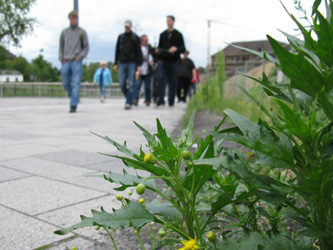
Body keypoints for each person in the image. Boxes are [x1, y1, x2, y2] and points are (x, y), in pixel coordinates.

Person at [59, 10, 89, 113]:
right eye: (71, 18)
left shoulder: (81, 32)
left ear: (77, 19)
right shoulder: (64, 32)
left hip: (76, 60)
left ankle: (73, 105)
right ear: (69, 19)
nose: (73, 20)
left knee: (76, 83)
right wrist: (61, 58)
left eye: (75, 18)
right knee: (66, 83)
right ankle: (73, 97)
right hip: (66, 60)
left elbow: (86, 47)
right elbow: (61, 46)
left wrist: (80, 57)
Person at [155, 15, 185, 106]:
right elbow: (160, 47)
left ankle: (171, 100)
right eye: (166, 21)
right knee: (160, 79)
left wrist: (176, 49)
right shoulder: (162, 35)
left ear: (173, 21)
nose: (167, 22)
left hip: (174, 61)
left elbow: (183, 48)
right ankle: (160, 99)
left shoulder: (178, 35)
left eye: (169, 20)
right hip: (163, 61)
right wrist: (158, 51)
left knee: (173, 81)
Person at [114, 20, 143, 110]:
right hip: (122, 62)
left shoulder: (135, 38)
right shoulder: (121, 37)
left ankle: (128, 102)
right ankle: (129, 97)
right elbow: (117, 51)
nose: (127, 28)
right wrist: (115, 63)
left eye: (128, 27)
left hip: (132, 63)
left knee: (131, 83)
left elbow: (139, 52)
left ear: (131, 27)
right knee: (122, 82)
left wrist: (139, 65)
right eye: (125, 27)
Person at [133, 35, 155, 106]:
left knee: (148, 86)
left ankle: (148, 100)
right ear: (142, 41)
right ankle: (135, 99)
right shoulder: (138, 48)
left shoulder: (150, 48)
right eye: (145, 40)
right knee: (137, 85)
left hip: (147, 71)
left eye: (147, 40)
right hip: (139, 70)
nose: (147, 42)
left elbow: (153, 56)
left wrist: (152, 61)